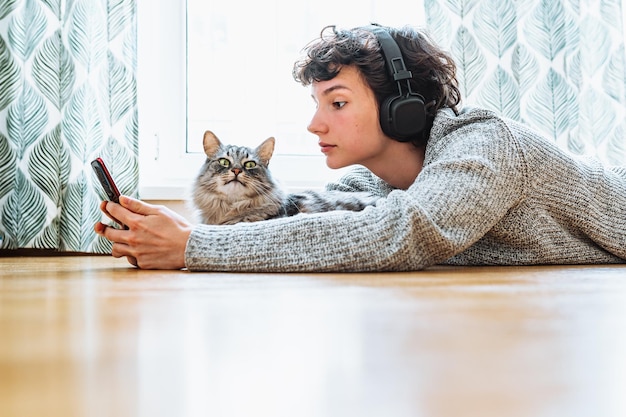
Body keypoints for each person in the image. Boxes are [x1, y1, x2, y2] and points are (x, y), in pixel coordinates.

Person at [95, 24, 626, 271]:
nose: (314, 123)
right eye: (316, 103)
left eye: (338, 103)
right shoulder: (377, 177)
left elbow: (396, 234)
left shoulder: (483, 148)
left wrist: (194, 248)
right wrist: (171, 232)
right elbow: (309, 219)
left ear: (403, 108)